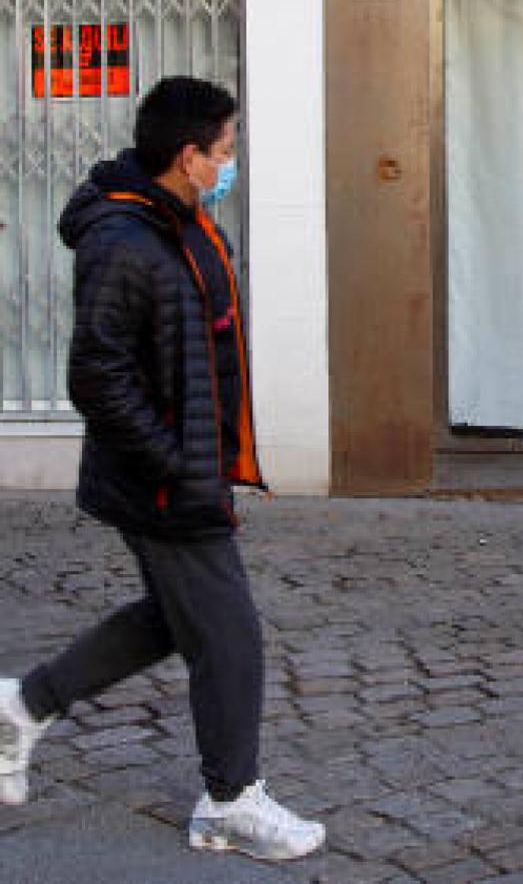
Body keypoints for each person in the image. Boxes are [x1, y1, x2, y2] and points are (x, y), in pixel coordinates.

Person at [0, 78, 324, 860]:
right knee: (231, 634)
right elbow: (96, 376)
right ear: (189, 157)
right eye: (225, 150)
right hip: (165, 479)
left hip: (183, 466)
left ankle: (23, 706)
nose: (231, 161)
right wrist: (175, 464)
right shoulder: (124, 243)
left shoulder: (172, 222)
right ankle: (229, 801)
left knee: (176, 616)